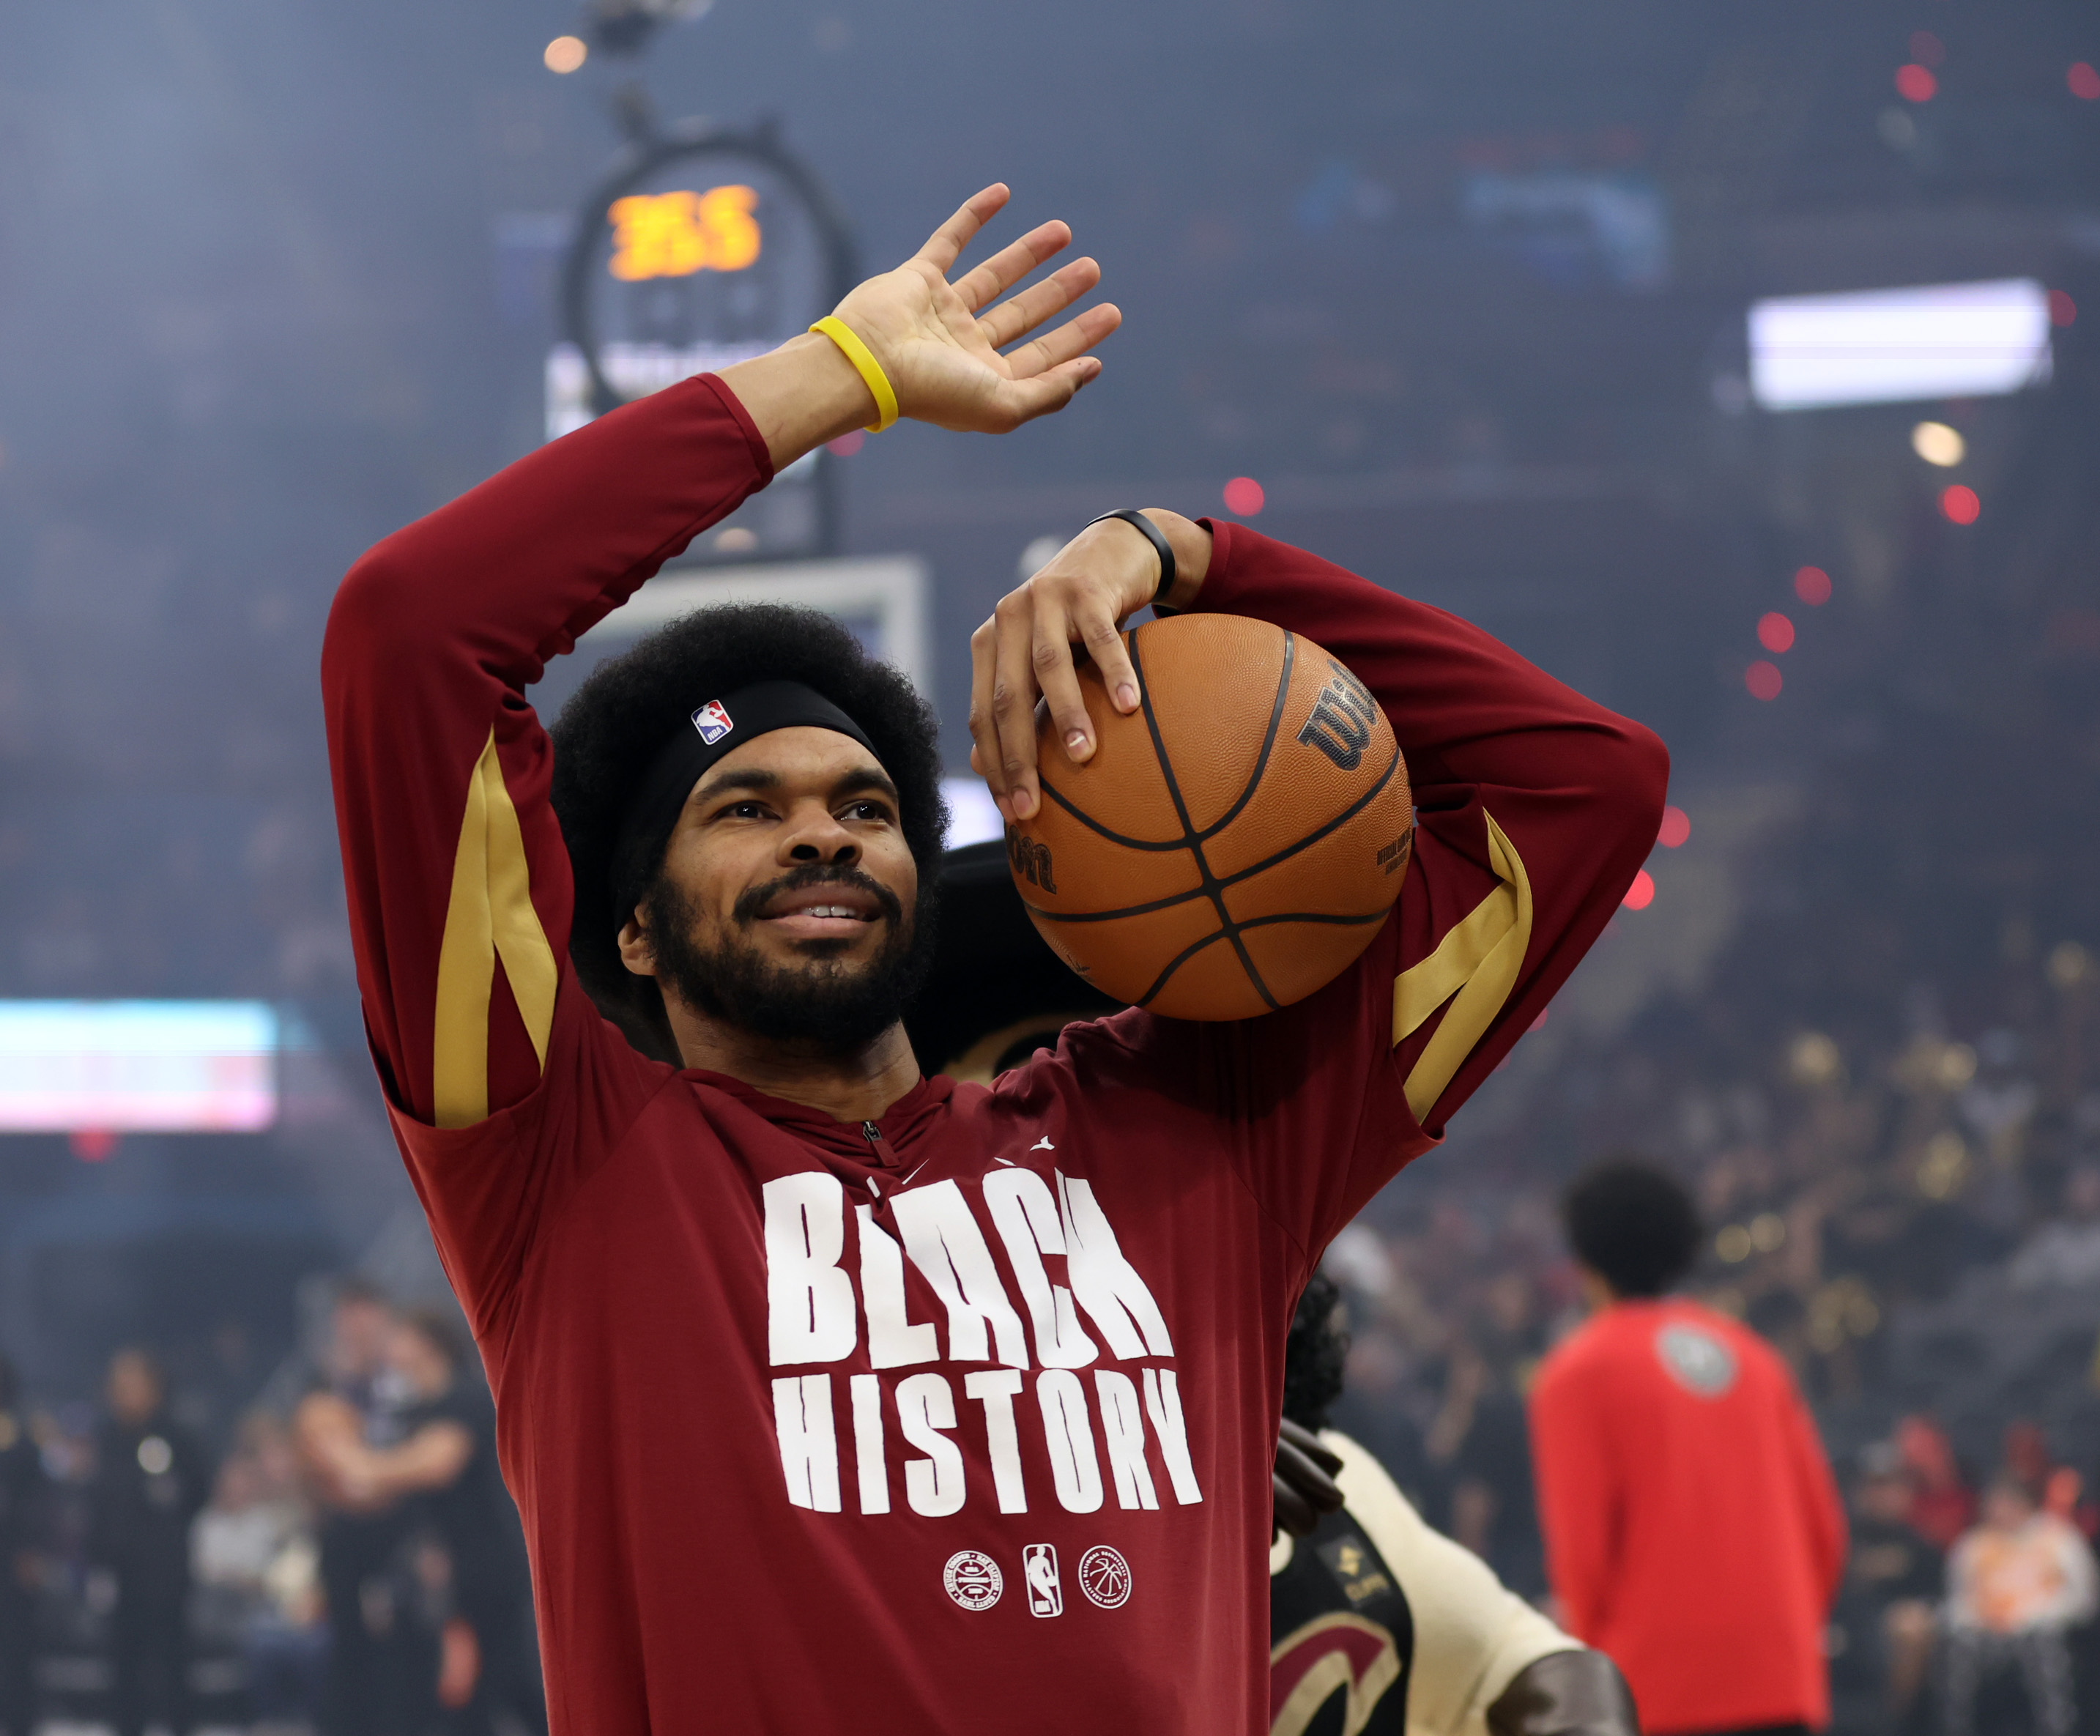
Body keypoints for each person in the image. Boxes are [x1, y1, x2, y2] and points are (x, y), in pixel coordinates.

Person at [321, 180, 1667, 1732]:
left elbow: (1588, 784)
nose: (820, 836)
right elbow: (409, 631)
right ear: (630, 927)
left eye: (865, 805)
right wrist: (838, 376)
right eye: (744, 808)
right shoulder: (559, 1172)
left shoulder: (1201, 1134)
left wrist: (1183, 560)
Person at [1529, 1160, 1846, 1736]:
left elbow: (1583, 1558)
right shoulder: (1755, 1359)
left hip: (1656, 1689)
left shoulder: (1577, 1371)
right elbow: (1823, 1532)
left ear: (1582, 1260)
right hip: (1782, 1677)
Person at [1270, 1274, 1637, 1736]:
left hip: (1511, 1555)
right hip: (1525, 1553)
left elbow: (1501, 1652)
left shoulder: (1337, 1470)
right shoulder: (1530, 1393)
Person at [302, 1307, 543, 1736]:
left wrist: (353, 1461)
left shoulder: (466, 1397)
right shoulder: (417, 1411)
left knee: (513, 1682)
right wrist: (332, 1469)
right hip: (447, 1579)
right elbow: (378, 1491)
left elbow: (434, 1465)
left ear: (426, 1345)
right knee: (466, 1695)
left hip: (492, 1566)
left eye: (400, 1338)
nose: (391, 1350)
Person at [293, 1280, 416, 1736]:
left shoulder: (406, 1383)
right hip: (344, 1538)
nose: (357, 1326)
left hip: (400, 1536)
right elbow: (316, 1466)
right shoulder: (324, 1385)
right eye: (349, 1315)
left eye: (366, 1314)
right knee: (347, 1654)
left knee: (401, 1655)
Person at [88, 1347, 209, 1736]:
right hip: (120, 1574)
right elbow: (97, 1503)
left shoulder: (177, 1437)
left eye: (132, 1384)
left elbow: (196, 1493)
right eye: (118, 1385)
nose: (122, 1393)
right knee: (123, 1670)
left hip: (165, 1575)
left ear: (154, 1388)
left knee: (173, 1667)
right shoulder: (107, 1438)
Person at [1939, 1471, 2098, 1736]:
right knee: (1958, 1649)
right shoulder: (1973, 1544)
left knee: (2044, 1648)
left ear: (2024, 1503)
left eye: (2006, 1503)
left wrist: (2037, 1616)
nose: (1998, 1511)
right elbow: (1958, 1599)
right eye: (1993, 1504)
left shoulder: (2057, 1538)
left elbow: (2084, 1597)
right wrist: (1977, 1621)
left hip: (2046, 1630)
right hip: (1987, 1636)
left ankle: (2057, 1729)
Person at [0, 1356, 45, 1736]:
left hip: (11, 1559)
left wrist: (32, 1551)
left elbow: (36, 1502)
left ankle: (20, 1724)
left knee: (15, 1652)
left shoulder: (19, 1440)